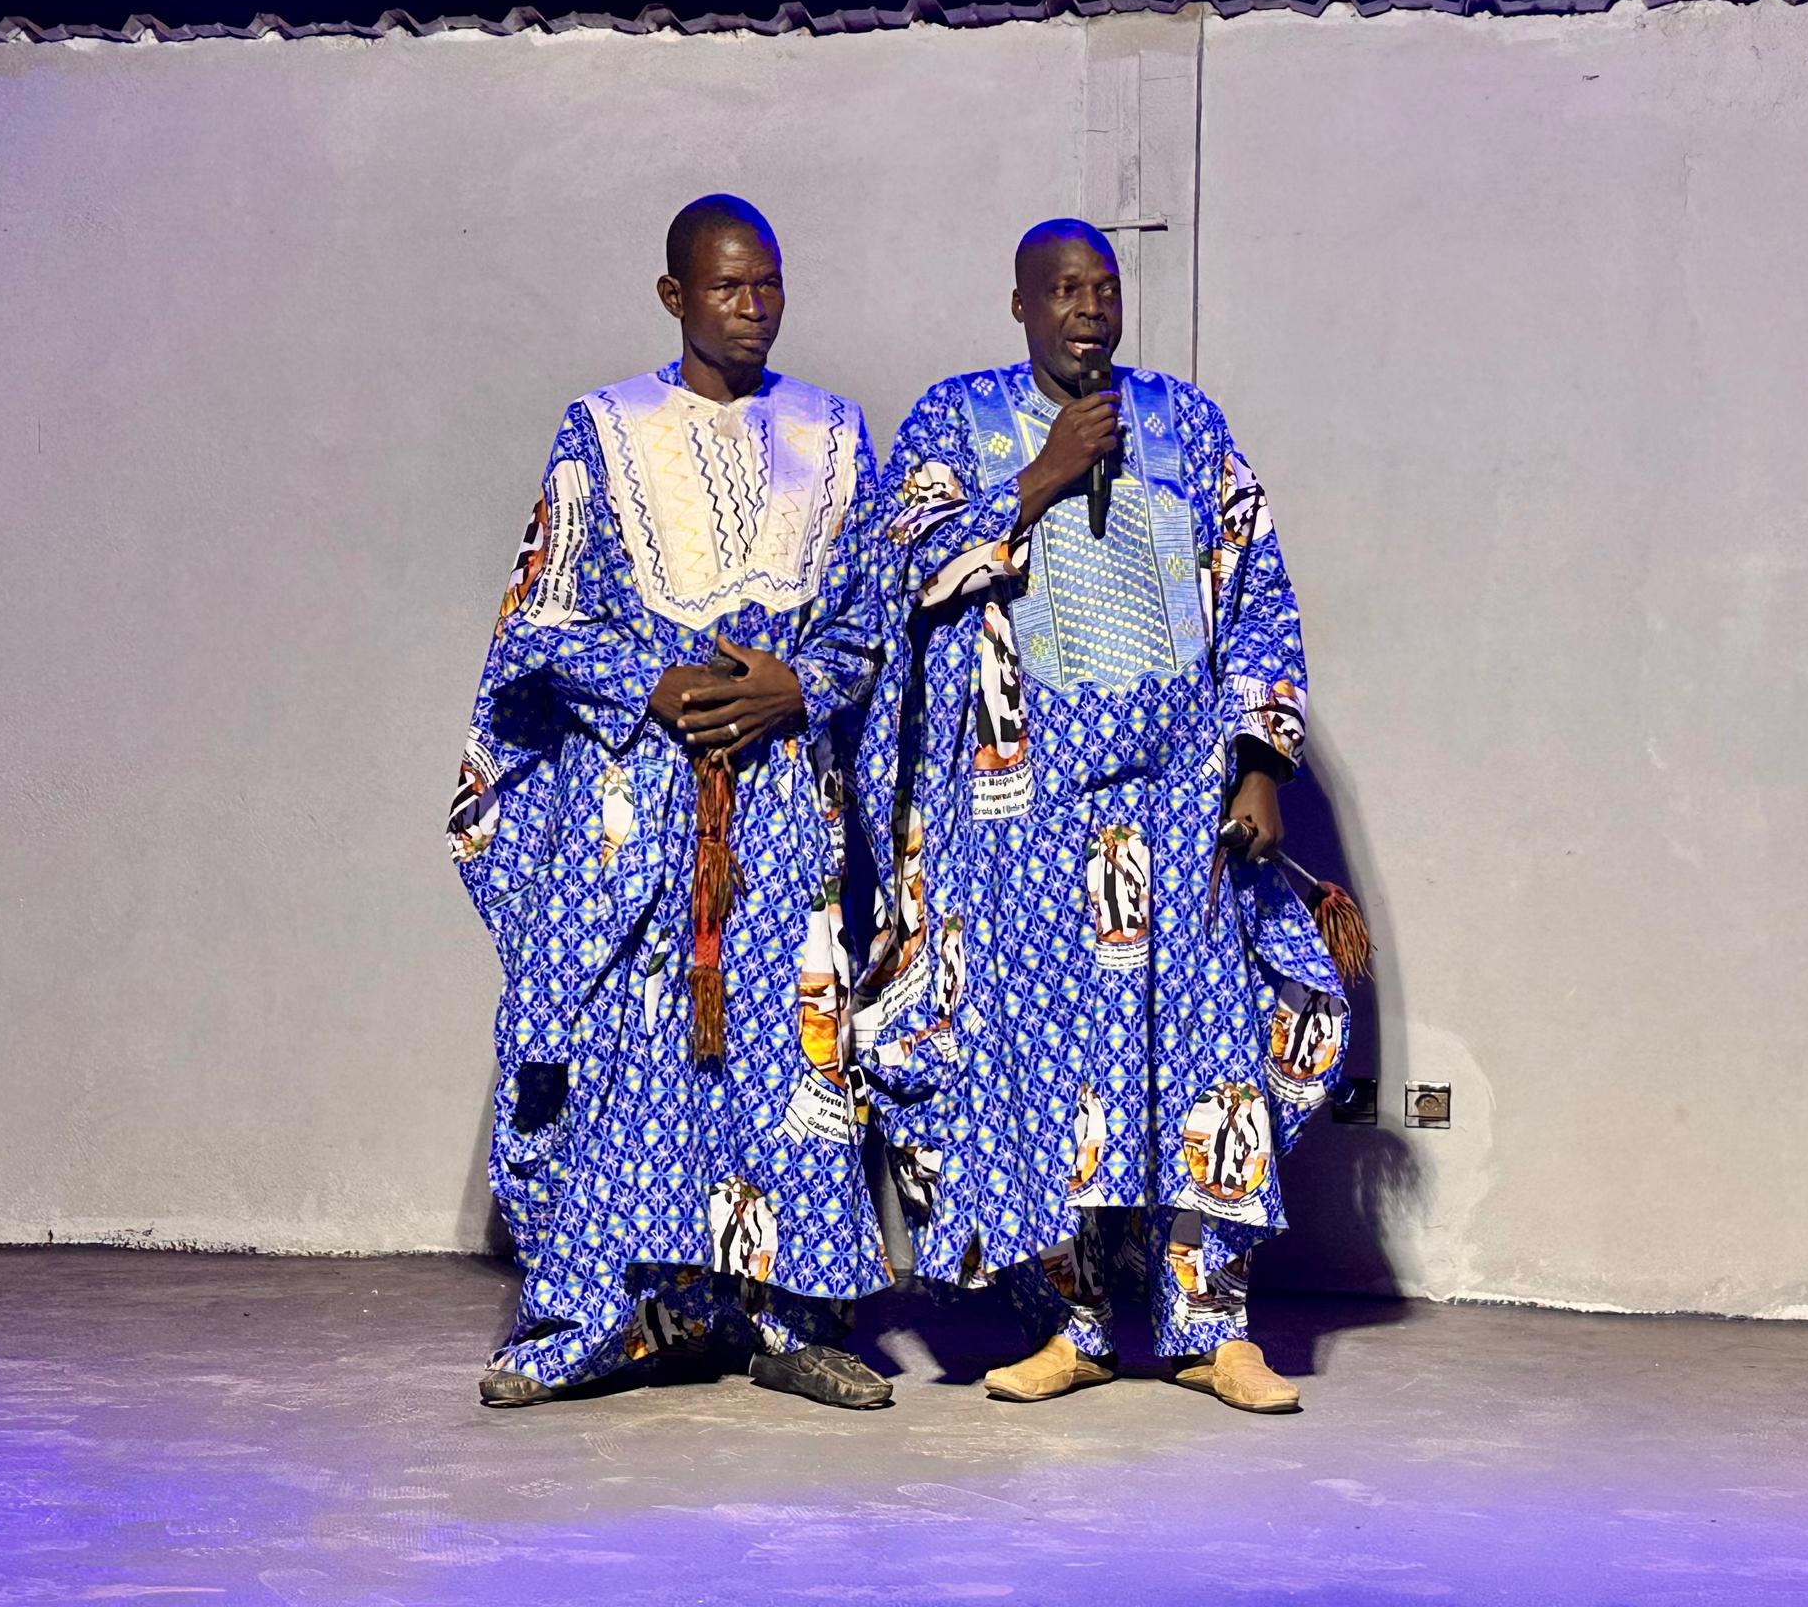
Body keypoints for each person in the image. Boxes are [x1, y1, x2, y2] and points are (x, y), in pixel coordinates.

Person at [856, 219, 1350, 1416]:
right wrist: (1039, 476)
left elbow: (1259, 593)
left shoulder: (1186, 421)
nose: (1088, 309)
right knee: (1042, 1057)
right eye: (1063, 290)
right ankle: (1067, 1325)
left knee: (1204, 1052)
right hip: (1021, 795)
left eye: (1104, 289)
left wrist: (1260, 764)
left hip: (1179, 789)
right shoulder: (955, 418)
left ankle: (1209, 1328)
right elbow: (891, 568)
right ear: (1020, 305)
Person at [450, 194, 894, 1411]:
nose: (753, 307)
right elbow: (542, 610)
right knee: (622, 1049)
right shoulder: (602, 430)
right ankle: (598, 1324)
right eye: (728, 287)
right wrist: (650, 682)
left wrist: (796, 685)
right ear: (674, 297)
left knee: (795, 1050)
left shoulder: (833, 431)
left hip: (784, 796)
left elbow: (874, 614)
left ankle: (793, 1323)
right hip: (638, 793)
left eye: (769, 284)